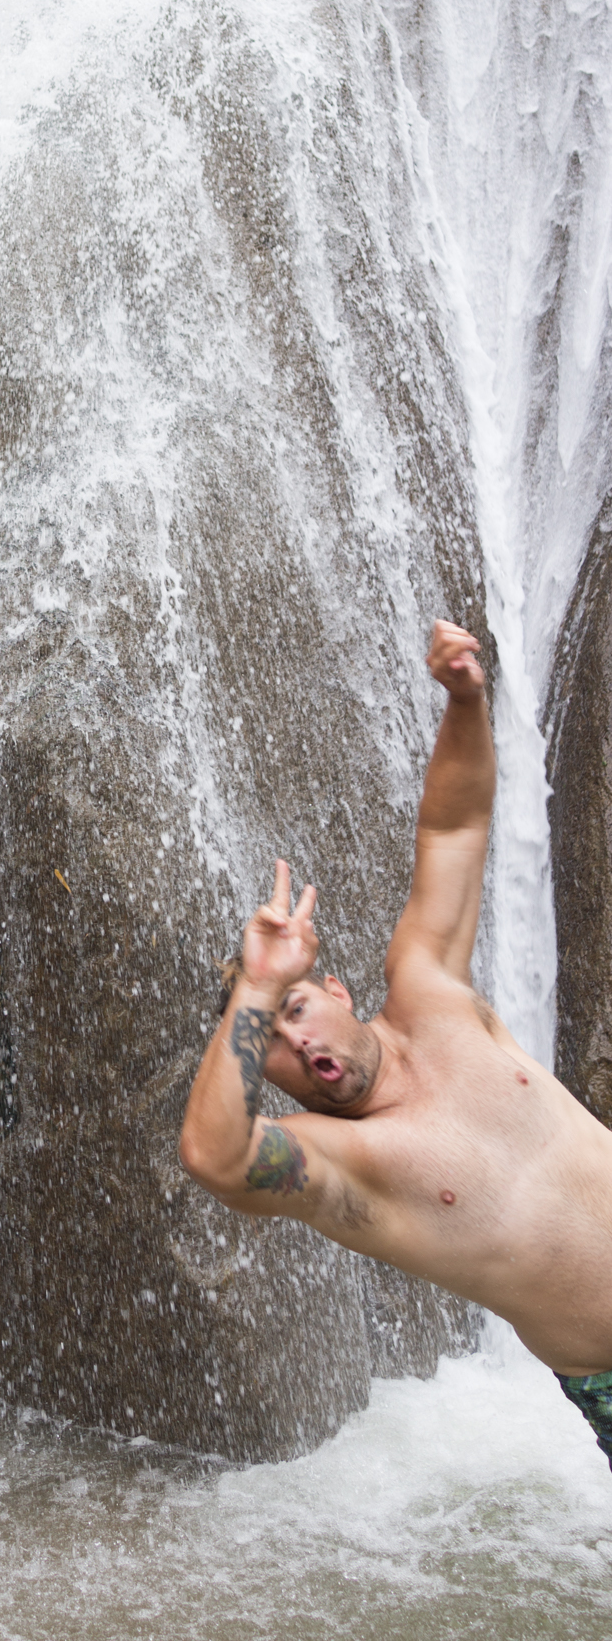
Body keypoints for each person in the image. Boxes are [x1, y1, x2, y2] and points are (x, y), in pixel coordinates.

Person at [180, 620, 612, 1467]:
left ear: (337, 991)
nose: (296, 1041)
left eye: (298, 1008)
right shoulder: (342, 1161)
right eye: (268, 1036)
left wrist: (462, 699)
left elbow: (451, 830)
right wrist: (260, 986)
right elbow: (211, 1156)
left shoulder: (429, 991)